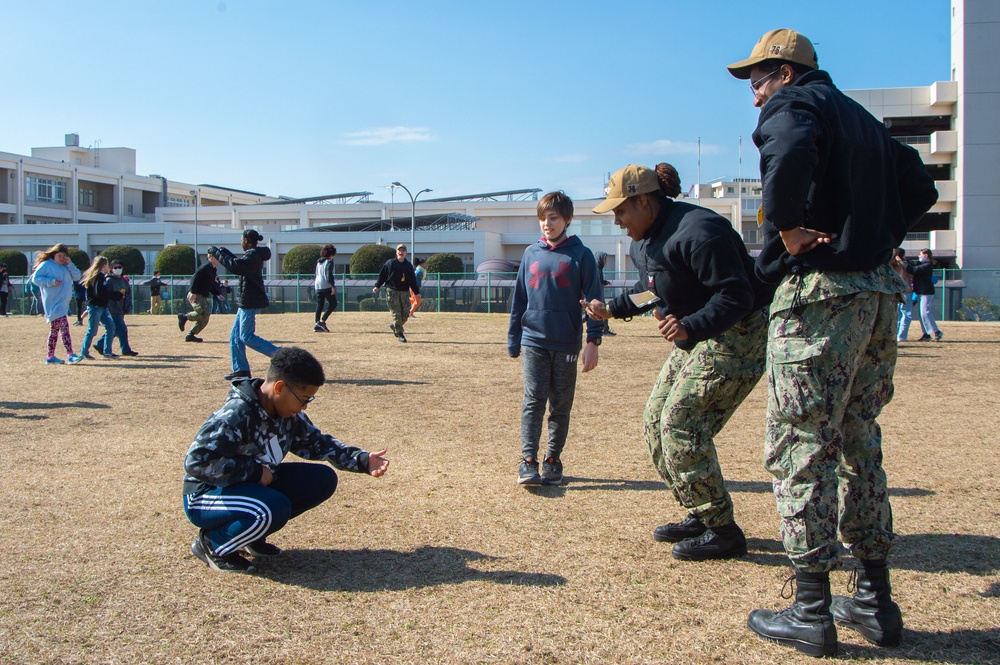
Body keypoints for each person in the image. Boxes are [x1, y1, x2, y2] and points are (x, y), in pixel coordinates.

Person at [727, 28, 938, 656]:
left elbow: (787, 148)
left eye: (758, 81)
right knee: (858, 439)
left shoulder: (795, 106)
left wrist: (787, 226)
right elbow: (920, 187)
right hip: (877, 296)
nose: (755, 97)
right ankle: (874, 602)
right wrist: (877, 238)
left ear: (786, 74)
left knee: (802, 442)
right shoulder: (863, 119)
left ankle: (812, 609)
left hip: (822, 295)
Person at [584, 164, 774, 561]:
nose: (617, 221)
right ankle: (700, 512)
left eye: (620, 211)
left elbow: (736, 296)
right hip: (696, 333)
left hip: (737, 333)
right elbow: (651, 290)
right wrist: (611, 309)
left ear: (644, 201)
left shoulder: (700, 232)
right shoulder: (644, 242)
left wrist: (689, 325)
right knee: (654, 421)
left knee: (680, 424)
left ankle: (723, 530)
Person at [182, 346, 390, 573]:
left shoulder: (288, 416)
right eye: (303, 398)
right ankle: (212, 544)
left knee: (322, 480)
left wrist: (361, 460)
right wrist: (253, 472)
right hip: (205, 496)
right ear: (280, 387)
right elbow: (197, 462)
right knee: (273, 507)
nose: (305, 406)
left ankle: (249, 535)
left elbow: (317, 443)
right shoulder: (236, 414)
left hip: (249, 488)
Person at [508, 191, 603, 486]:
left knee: (561, 403)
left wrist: (592, 342)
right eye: (542, 218)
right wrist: (513, 338)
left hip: (567, 342)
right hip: (533, 339)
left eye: (553, 218)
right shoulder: (530, 254)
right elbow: (519, 299)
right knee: (533, 400)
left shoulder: (582, 255)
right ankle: (527, 461)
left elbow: (595, 300)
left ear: (567, 220)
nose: (547, 224)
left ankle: (552, 459)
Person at [210, 229, 278, 381]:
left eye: (241, 239)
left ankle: (280, 356)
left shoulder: (252, 255)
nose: (241, 242)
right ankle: (241, 370)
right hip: (246, 301)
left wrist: (216, 252)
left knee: (246, 336)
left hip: (249, 301)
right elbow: (238, 265)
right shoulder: (253, 255)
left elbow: (236, 267)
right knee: (235, 337)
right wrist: (224, 253)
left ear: (246, 240)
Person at [29, 243, 84, 365]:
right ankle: (70, 354)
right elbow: (36, 279)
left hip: (63, 303)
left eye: (64, 255)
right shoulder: (46, 265)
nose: (62, 258)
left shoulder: (66, 266)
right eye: (60, 255)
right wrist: (51, 282)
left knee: (54, 330)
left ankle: (50, 357)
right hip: (53, 303)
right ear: (54, 255)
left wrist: (70, 264)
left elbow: (77, 277)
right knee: (64, 326)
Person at [373, 244, 419, 343]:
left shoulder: (408, 266)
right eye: (399, 250)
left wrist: (417, 292)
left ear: (406, 253)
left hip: (404, 292)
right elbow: (382, 276)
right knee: (396, 313)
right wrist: (377, 286)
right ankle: (400, 334)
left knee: (406, 314)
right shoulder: (390, 263)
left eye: (403, 251)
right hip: (392, 291)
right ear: (396, 252)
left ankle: (395, 325)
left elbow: (412, 281)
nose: (401, 252)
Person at [79, 256, 123, 360]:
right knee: (92, 330)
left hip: (102, 306)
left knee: (111, 327)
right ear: (103, 265)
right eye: (107, 265)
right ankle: (84, 352)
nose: (109, 267)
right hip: (95, 306)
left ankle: (107, 352)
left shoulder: (102, 277)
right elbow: (99, 293)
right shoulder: (98, 277)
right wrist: (115, 295)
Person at [94, 261, 138, 357]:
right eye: (115, 267)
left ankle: (100, 344)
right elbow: (105, 294)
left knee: (115, 329)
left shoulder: (124, 281)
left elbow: (127, 295)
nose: (118, 269)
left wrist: (127, 307)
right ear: (111, 269)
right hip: (111, 309)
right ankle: (125, 349)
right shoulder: (109, 280)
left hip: (120, 309)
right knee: (120, 329)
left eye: (120, 267)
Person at [178, 253, 220, 343]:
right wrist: (192, 292)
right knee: (201, 312)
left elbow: (210, 285)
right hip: (196, 294)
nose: (219, 259)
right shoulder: (205, 267)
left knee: (205, 316)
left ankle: (190, 335)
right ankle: (184, 317)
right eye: (217, 258)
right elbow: (194, 278)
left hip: (202, 295)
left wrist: (217, 294)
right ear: (211, 258)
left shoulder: (213, 270)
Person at [909, 248, 943, 342]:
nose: (919, 257)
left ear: (926, 255)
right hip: (921, 292)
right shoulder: (923, 264)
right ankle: (926, 334)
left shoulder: (927, 265)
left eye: (920, 255)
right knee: (922, 314)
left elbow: (913, 269)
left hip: (926, 292)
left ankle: (937, 332)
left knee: (925, 313)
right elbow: (914, 264)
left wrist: (902, 262)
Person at [313, 243, 338, 332]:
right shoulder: (329, 262)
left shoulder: (318, 262)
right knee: (333, 303)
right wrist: (332, 286)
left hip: (317, 284)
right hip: (326, 284)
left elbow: (315, 274)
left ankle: (317, 323)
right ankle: (322, 321)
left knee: (320, 304)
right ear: (331, 255)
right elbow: (329, 275)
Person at [593, 251, 615, 337]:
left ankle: (605, 329)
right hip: (597, 294)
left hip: (598, 293)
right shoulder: (596, 269)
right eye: (605, 259)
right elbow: (595, 282)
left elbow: (598, 281)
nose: (606, 261)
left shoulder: (598, 268)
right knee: (603, 310)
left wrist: (604, 282)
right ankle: (604, 330)